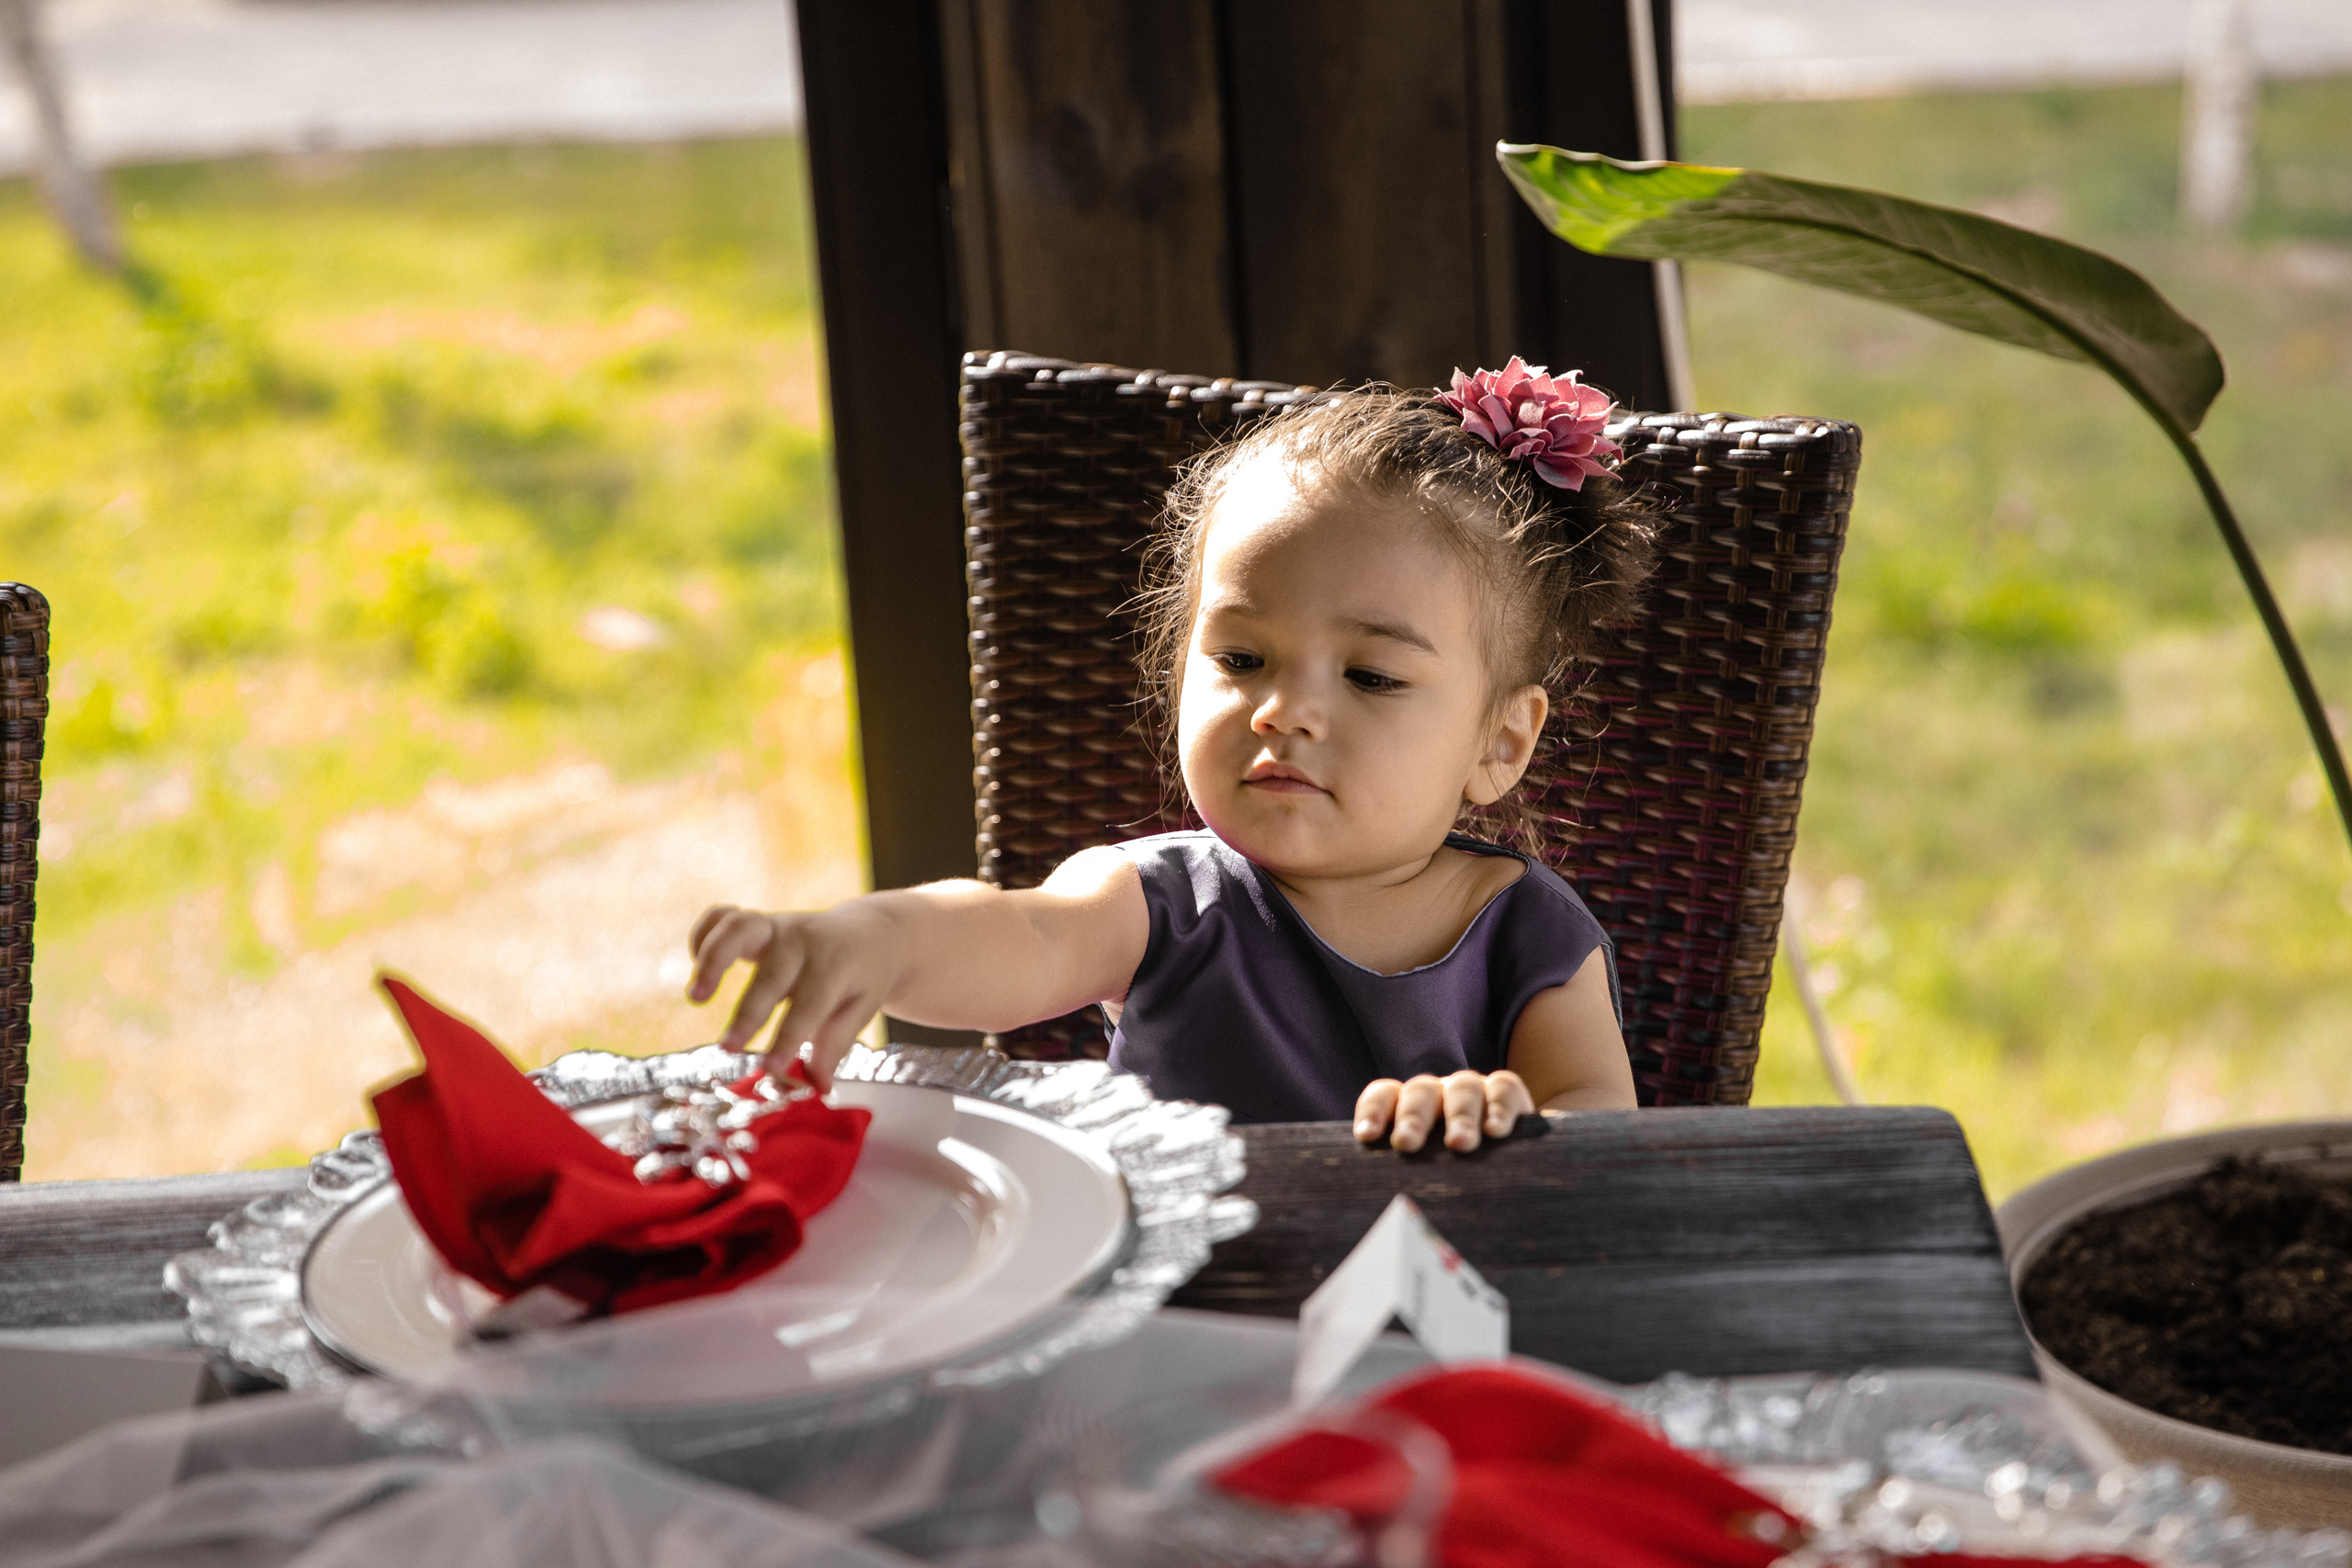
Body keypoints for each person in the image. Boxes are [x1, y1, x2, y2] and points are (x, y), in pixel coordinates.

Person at [686, 359, 1654, 1152]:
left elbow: (1601, 1122)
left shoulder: (1525, 931)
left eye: (1370, 677)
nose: (1284, 712)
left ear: (1499, 741)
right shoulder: (1160, 902)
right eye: (1240, 658)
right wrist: (877, 942)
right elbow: (1023, 937)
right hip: (1185, 1323)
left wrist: (1504, 1118)